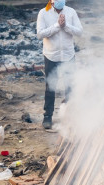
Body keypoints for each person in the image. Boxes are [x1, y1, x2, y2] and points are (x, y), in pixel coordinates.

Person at [36, 0, 83, 129]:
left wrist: (66, 26)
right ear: (51, 1)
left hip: (68, 55)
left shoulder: (71, 12)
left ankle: (70, 116)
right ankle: (47, 116)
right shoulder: (43, 13)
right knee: (51, 87)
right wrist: (57, 26)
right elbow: (40, 34)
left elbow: (79, 31)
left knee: (70, 86)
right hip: (51, 55)